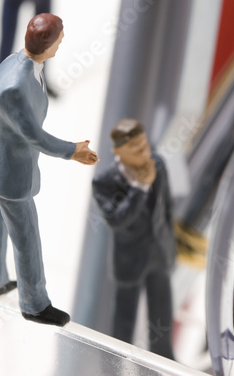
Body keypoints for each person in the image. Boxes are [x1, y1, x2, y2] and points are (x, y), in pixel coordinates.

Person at [0, 13, 98, 326]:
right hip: (9, 177)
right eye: (59, 39)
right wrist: (73, 150)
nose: (61, 43)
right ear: (48, 44)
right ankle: (34, 304)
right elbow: (36, 136)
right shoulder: (16, 87)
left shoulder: (12, 62)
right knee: (27, 240)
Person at [91, 119, 176, 359]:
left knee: (162, 313)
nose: (143, 152)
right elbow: (117, 220)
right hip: (129, 259)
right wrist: (139, 188)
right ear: (118, 151)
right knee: (124, 318)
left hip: (159, 251)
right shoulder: (104, 182)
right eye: (135, 149)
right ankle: (115, 362)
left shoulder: (158, 165)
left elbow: (167, 208)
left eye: (144, 145)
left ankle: (164, 358)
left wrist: (170, 243)